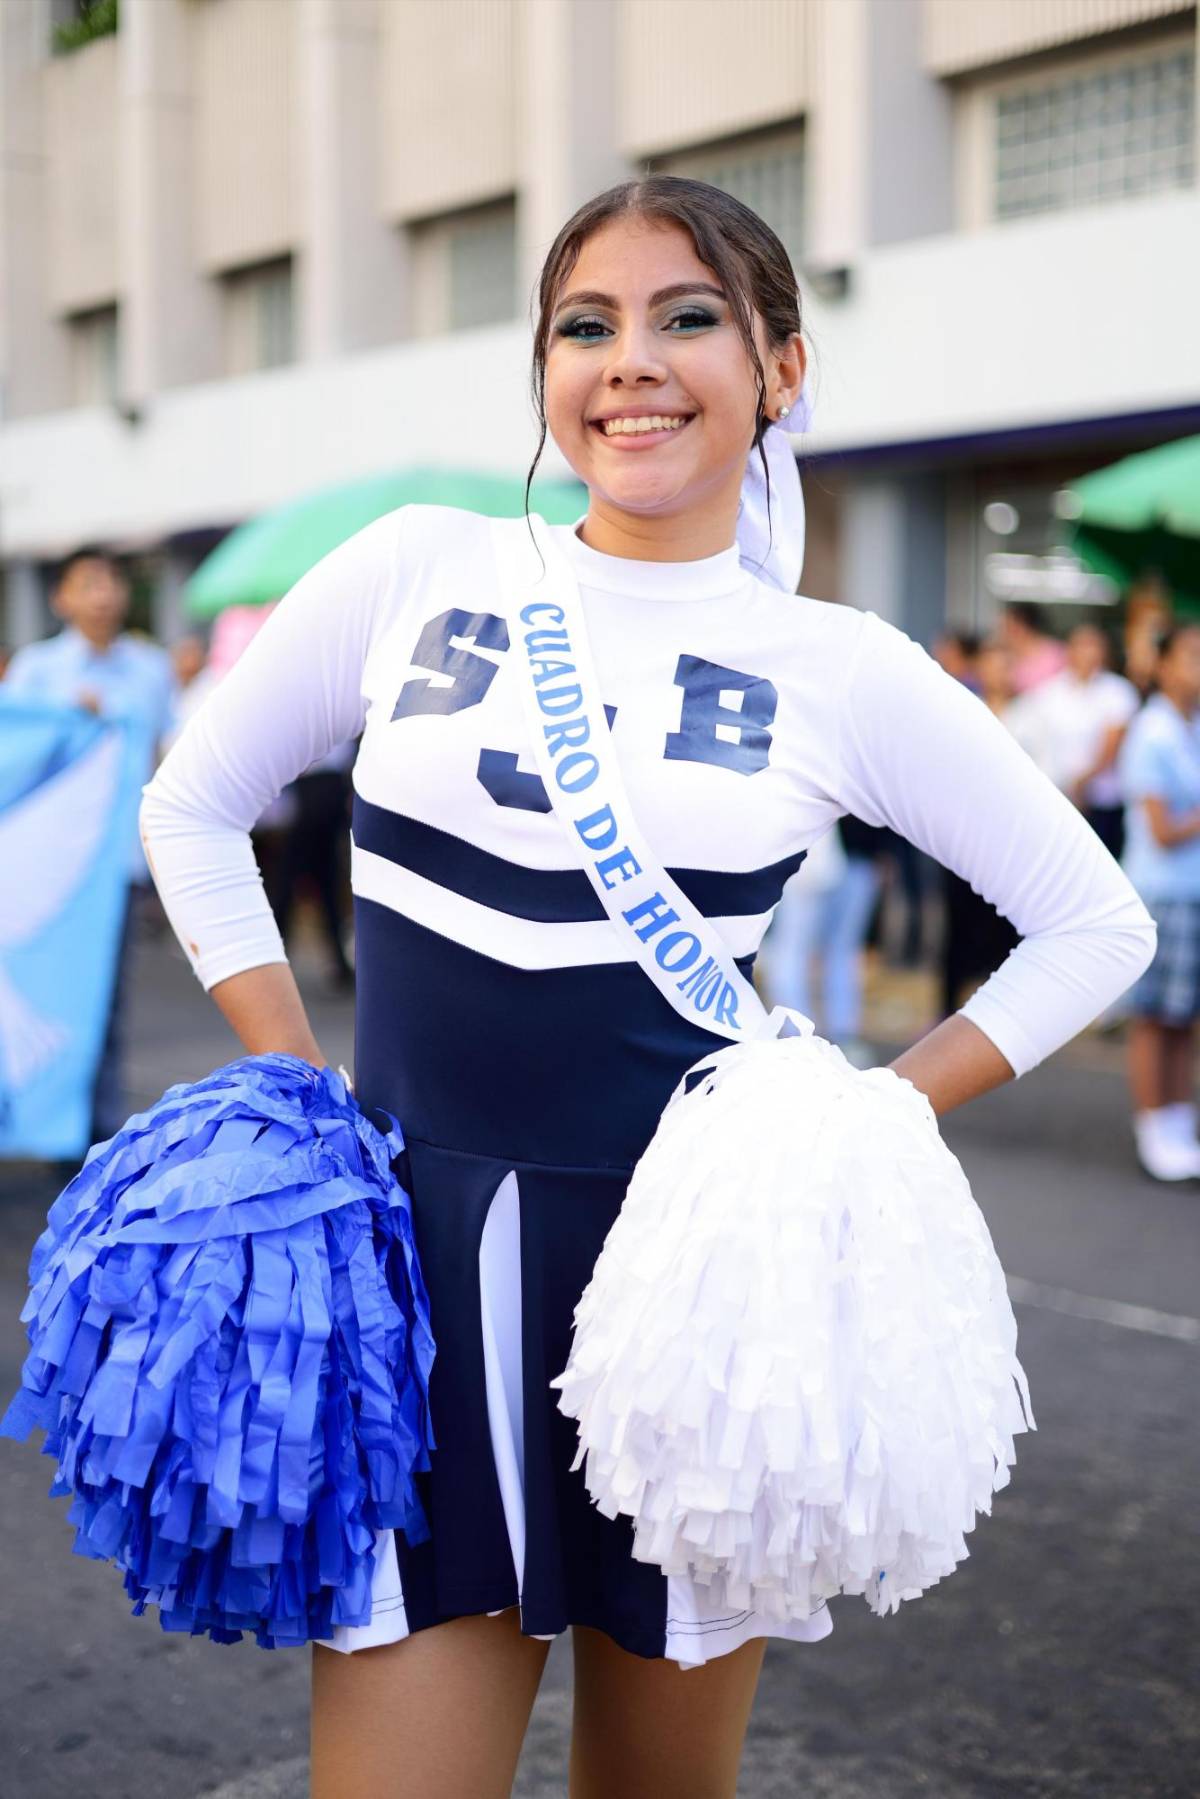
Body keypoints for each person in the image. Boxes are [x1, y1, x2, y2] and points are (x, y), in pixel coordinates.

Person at [139, 180, 1155, 1799]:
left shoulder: (839, 662)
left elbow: (1098, 925)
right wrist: (297, 1097)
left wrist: (866, 1119)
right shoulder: (419, 566)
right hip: (413, 1279)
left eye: (690, 317)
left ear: (782, 365)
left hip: (696, 1302)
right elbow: (192, 803)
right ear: (543, 367)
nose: (635, 362)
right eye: (586, 324)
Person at [3, 548, 175, 1142]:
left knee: (106, 1002)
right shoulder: (37, 671)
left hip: (118, 864)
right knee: (47, 992)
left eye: (112, 583)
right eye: (89, 584)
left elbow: (165, 756)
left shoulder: (151, 669)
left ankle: (93, 1134)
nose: (104, 595)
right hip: (45, 871)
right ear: (62, 599)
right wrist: (70, 722)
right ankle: (39, 1120)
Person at [1118, 622, 1200, 1181]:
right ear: (1164, 664)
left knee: (1182, 1017)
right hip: (1163, 894)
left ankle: (1175, 1119)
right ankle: (1154, 1126)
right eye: (1192, 654)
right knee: (1153, 1016)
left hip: (1190, 894)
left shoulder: (1189, 727)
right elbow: (1162, 829)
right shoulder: (1152, 731)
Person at [1007, 622, 1139, 860]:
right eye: (1083, 645)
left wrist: (1082, 782)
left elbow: (1112, 745)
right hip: (1060, 800)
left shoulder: (1117, 691)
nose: (1089, 653)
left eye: (1095, 646)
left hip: (1103, 803)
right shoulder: (1049, 693)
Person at [998, 600, 1067, 694]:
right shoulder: (1004, 657)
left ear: (1024, 626)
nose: (1004, 633)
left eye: (1008, 627)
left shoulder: (1056, 654)